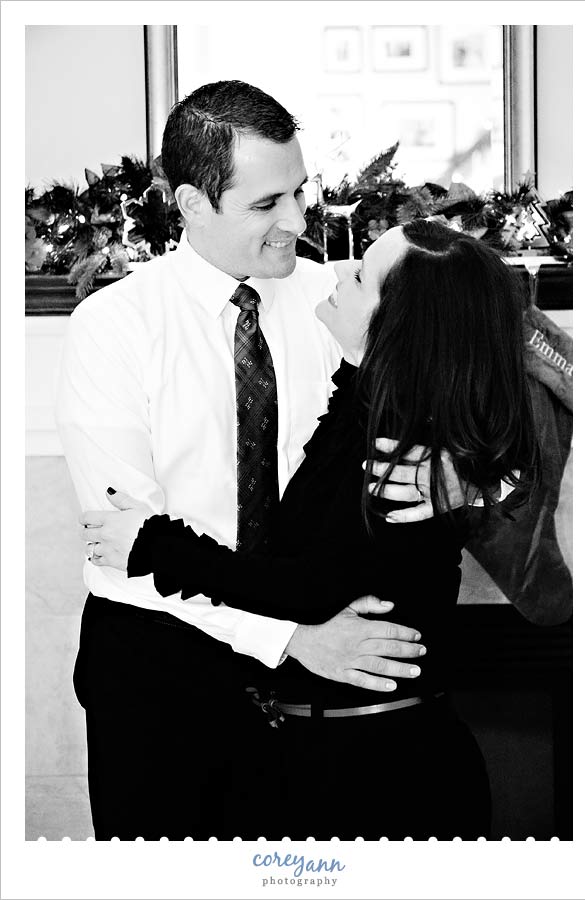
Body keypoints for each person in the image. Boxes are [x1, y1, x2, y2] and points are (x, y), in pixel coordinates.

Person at [56, 81, 466, 841]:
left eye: (299, 193)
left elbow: (507, 366)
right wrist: (294, 640)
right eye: (265, 204)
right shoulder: (110, 327)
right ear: (191, 204)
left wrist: (469, 472)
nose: (296, 223)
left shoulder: (345, 301)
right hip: (162, 671)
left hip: (313, 690)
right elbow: (128, 544)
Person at [80, 219, 540, 840]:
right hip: (277, 731)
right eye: (272, 199)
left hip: (382, 774)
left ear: (400, 326)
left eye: (360, 275)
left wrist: (156, 546)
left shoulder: (398, 446)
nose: (334, 267)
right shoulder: (367, 401)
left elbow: (315, 583)